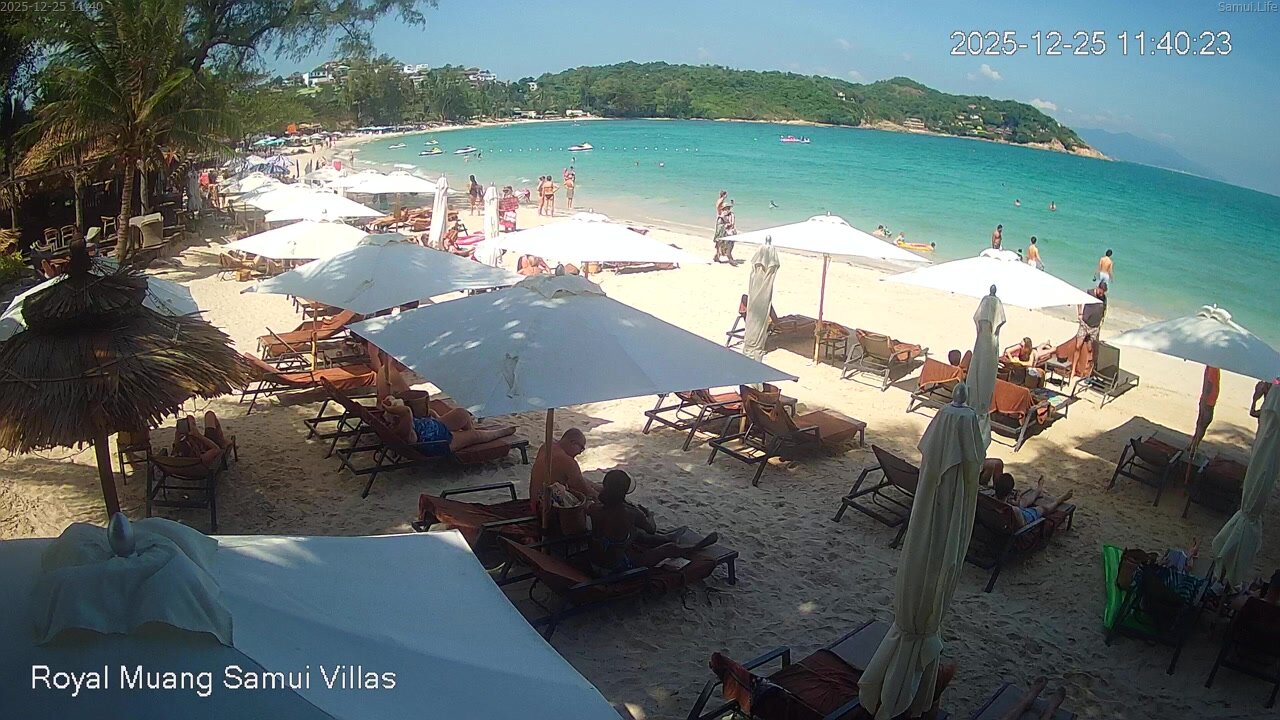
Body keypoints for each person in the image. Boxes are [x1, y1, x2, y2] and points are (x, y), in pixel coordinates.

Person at [586, 470, 719, 577]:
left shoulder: (595, 508)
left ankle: (666, 538)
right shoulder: (630, 513)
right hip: (613, 568)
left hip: (593, 561)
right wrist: (650, 515)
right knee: (668, 548)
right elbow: (651, 529)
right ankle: (691, 547)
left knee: (634, 532)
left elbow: (611, 518)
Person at [376, 363, 516, 456]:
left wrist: (431, 415)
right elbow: (406, 412)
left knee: (461, 413)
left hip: (438, 426)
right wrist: (397, 409)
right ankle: (498, 433)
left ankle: (468, 433)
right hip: (441, 442)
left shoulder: (400, 423)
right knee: (477, 436)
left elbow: (407, 414)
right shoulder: (405, 432)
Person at [530, 428, 600, 505]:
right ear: (573, 443)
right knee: (590, 502)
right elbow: (585, 489)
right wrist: (600, 497)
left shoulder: (547, 446)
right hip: (546, 507)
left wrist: (596, 487)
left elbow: (578, 480)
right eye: (581, 449)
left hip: (534, 501)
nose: (580, 453)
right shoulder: (568, 461)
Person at [991, 473, 1073, 529]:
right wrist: (1018, 507)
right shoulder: (1014, 510)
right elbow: (1022, 526)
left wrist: (1016, 503)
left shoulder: (989, 500)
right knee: (1042, 508)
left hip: (1004, 515)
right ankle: (1058, 501)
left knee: (1024, 502)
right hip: (1022, 518)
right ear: (1009, 493)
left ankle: (1038, 491)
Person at [1073, 281, 1107, 375]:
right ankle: (1073, 369)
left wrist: (1102, 320)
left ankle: (1087, 371)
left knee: (1090, 349)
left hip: (1095, 327)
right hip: (1085, 324)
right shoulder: (1089, 293)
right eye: (1101, 291)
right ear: (1097, 288)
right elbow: (1079, 299)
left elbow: (1104, 309)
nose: (1102, 293)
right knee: (1078, 346)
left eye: (1103, 292)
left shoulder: (1104, 298)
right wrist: (1080, 313)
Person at [1189, 365, 1221, 453]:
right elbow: (1209, 385)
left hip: (1207, 401)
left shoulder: (1212, 367)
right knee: (1203, 424)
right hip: (1208, 402)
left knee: (1201, 424)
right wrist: (1204, 400)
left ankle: (1193, 445)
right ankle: (1194, 446)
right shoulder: (1213, 367)